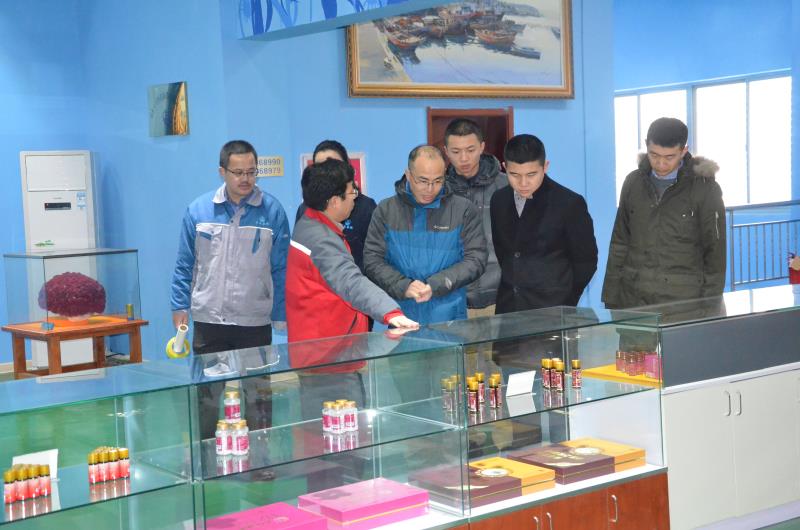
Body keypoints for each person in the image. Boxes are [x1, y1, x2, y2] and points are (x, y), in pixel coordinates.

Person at [170, 139, 290, 437]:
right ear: (222, 172)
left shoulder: (272, 212)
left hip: (254, 321)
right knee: (207, 398)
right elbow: (185, 263)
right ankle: (206, 455)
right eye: (238, 172)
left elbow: (281, 268)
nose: (245, 179)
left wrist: (280, 314)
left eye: (251, 172)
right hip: (210, 320)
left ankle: (260, 453)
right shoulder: (199, 211)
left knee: (258, 397)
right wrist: (179, 305)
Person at [287, 159, 418, 419]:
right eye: (351, 192)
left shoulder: (312, 225)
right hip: (328, 360)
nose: (355, 198)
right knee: (339, 434)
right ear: (334, 201)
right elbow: (351, 282)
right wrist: (391, 313)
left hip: (326, 356)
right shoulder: (320, 239)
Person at [602, 117, 726, 309]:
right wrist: (611, 297)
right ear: (646, 146)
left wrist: (710, 306)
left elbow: (715, 254)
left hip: (684, 304)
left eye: (669, 157)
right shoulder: (633, 183)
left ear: (683, 151)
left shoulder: (705, 189)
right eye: (654, 155)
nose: (660, 163)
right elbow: (619, 242)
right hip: (634, 299)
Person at [364, 145, 488, 325]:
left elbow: (476, 259)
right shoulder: (386, 210)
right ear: (408, 175)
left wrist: (436, 285)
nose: (430, 189)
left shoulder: (463, 210)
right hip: (397, 315)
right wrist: (403, 286)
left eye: (438, 181)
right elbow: (372, 260)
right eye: (423, 181)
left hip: (448, 318)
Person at [490, 134, 597, 314]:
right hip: (508, 307)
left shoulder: (569, 203)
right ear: (504, 167)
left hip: (554, 309)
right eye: (514, 175)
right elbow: (503, 253)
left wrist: (565, 300)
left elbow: (586, 262)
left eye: (531, 174)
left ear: (545, 167)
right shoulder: (498, 200)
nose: (523, 183)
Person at [443, 118, 508, 318]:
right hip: (452, 299)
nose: (464, 158)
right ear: (446, 151)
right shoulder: (438, 192)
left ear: (482, 147)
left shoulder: (507, 187)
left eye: (470, 150)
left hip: (501, 299)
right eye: (456, 152)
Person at [295, 140, 377, 274]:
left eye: (334, 165)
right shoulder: (305, 210)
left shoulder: (366, 207)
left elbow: (375, 259)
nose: (327, 173)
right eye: (321, 167)